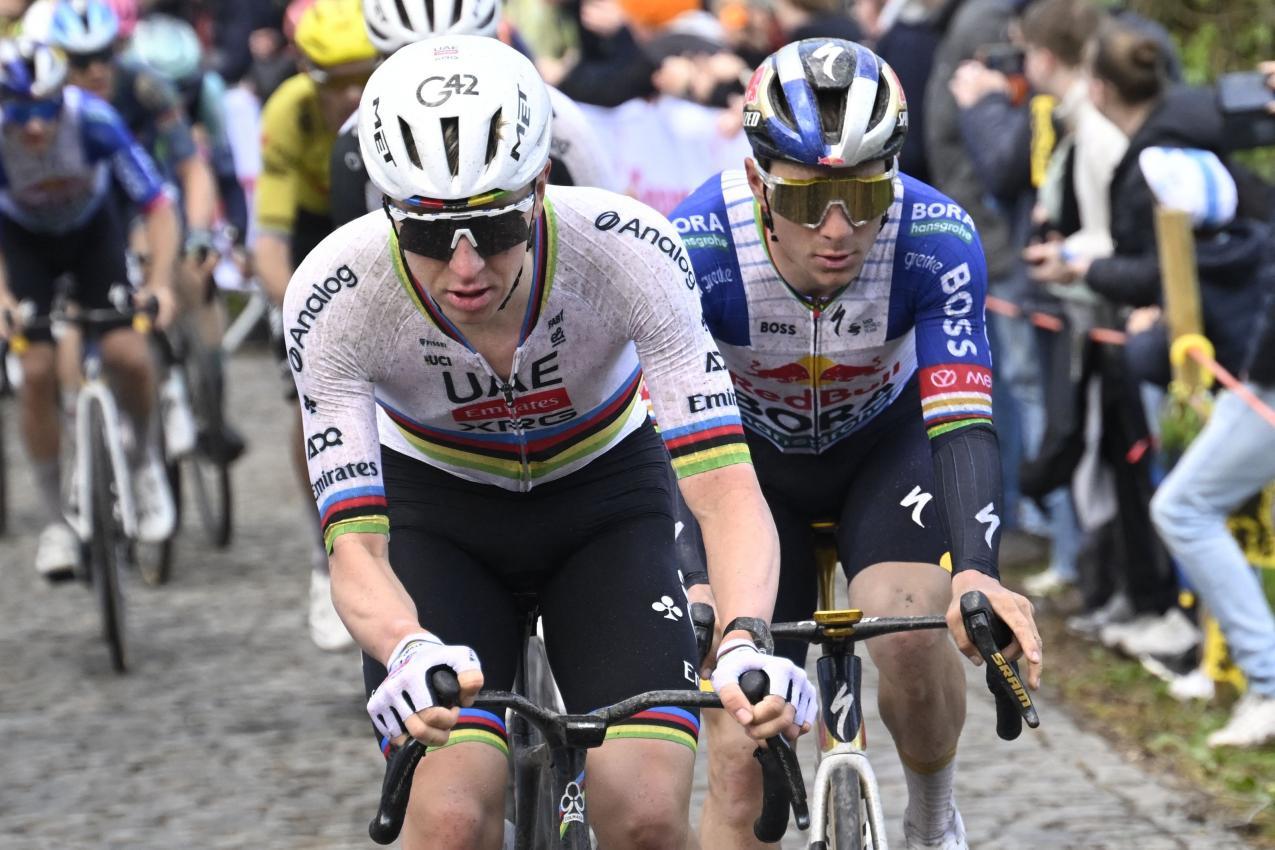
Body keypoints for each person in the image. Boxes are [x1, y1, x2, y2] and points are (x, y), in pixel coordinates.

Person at [285, 34, 815, 850]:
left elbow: (724, 491)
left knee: (643, 816)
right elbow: (355, 550)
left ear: (540, 187)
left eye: (495, 227)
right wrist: (406, 645)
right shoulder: (335, 294)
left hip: (604, 504)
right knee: (454, 821)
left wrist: (746, 634)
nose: (465, 266)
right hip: (440, 518)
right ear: (384, 209)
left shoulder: (629, 252)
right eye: (429, 235)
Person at [671, 38, 1043, 850]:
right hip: (748, 471)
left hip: (881, 453)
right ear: (757, 184)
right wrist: (697, 580)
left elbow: (962, 422)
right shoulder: (696, 248)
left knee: (910, 628)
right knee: (740, 757)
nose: (838, 229)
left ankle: (932, 819)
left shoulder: (936, 235)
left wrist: (978, 573)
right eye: (807, 202)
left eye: (865, 195)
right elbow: (662, 432)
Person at [0, 37, 178, 576]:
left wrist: (162, 283)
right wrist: (5, 301)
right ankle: (55, 520)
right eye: (19, 112)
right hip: (24, 240)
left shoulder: (96, 121)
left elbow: (157, 205)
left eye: (45, 110)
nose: (33, 127)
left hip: (92, 235)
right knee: (34, 371)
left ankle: (146, 462)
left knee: (127, 353)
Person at [252, 0, 378, 651]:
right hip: (311, 231)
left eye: (365, 75)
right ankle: (320, 552)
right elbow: (269, 246)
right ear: (309, 75)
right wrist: (299, 312)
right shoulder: (288, 111)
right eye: (335, 82)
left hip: (375, 218)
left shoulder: (390, 102)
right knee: (312, 410)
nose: (352, 94)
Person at [327, 0, 614, 228]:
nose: (446, 87)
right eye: (412, 62)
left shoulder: (561, 121)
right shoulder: (352, 146)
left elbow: (608, 230)